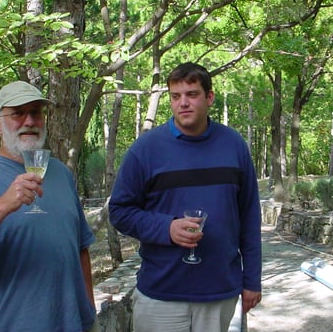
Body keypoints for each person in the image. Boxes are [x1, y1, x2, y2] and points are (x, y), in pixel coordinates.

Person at [109, 62, 262, 332]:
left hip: (218, 291)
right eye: (176, 96)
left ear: (209, 97)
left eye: (191, 94)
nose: (183, 103)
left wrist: (252, 280)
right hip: (161, 293)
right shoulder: (146, 149)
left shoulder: (234, 145)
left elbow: (249, 216)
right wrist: (166, 228)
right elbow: (120, 211)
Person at [0, 81, 99, 332]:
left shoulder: (60, 173)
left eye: (36, 112)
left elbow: (81, 248)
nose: (29, 121)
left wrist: (90, 313)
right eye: (18, 113)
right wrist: (4, 204)